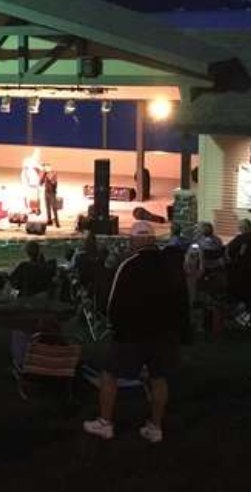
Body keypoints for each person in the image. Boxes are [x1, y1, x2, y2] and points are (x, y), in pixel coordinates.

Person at [84, 221, 191, 443]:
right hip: (163, 332)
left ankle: (105, 422)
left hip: (131, 333)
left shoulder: (128, 265)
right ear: (152, 240)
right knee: (158, 378)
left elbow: (113, 302)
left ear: (134, 241)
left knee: (110, 374)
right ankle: (155, 426)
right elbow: (181, 298)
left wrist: (114, 325)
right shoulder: (169, 265)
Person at [41, 161, 59, 228]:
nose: (44, 168)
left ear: (49, 167)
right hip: (46, 192)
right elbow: (40, 183)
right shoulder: (45, 174)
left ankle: (57, 222)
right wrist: (43, 175)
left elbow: (53, 183)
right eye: (44, 167)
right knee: (47, 207)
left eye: (45, 167)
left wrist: (47, 175)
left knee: (54, 208)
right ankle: (49, 220)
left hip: (52, 193)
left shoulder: (54, 173)